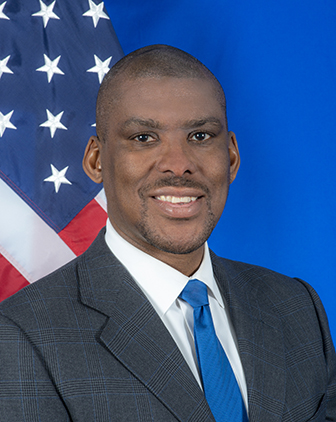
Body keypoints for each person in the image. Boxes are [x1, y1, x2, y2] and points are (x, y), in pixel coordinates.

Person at [0, 45, 335, 422]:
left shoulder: (296, 306)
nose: (179, 165)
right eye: (144, 138)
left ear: (232, 157)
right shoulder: (21, 337)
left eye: (200, 136)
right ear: (96, 161)